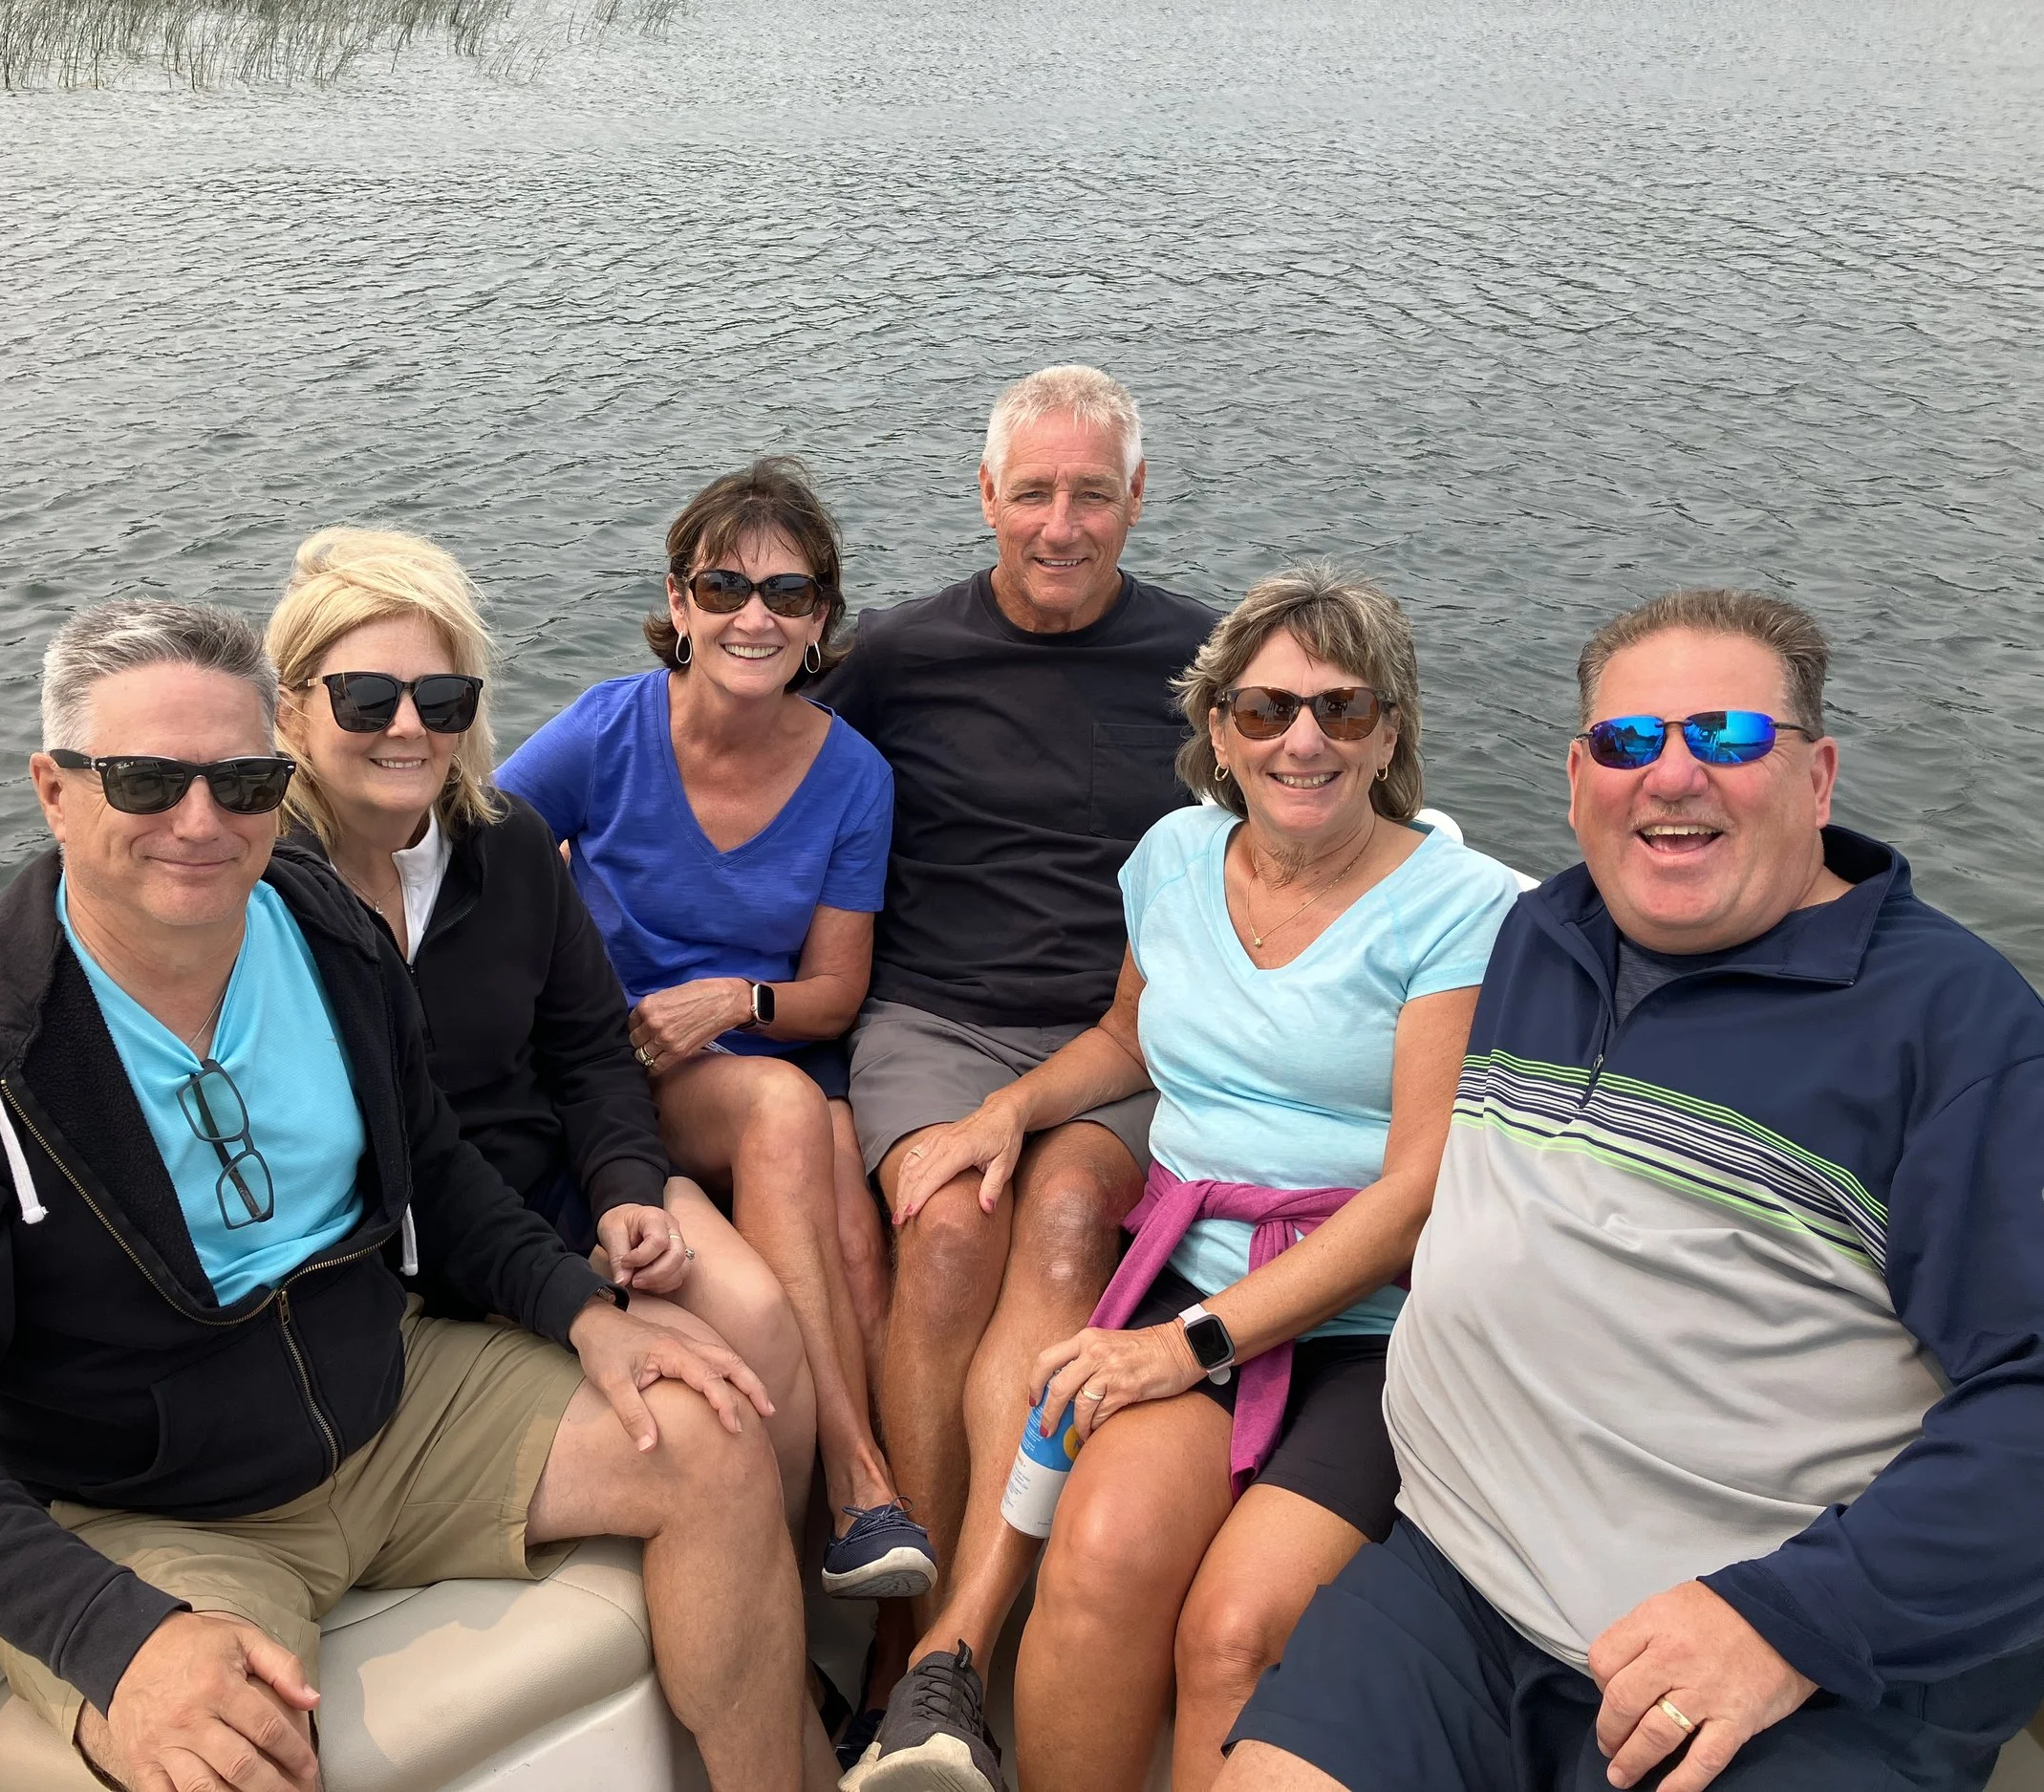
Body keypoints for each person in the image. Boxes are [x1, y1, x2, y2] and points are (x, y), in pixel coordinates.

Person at [0, 598, 835, 1792]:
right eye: (145, 782)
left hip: (390, 1401)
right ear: (55, 790)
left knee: (713, 1429)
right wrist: (114, 1634)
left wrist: (584, 1312)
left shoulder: (324, 929)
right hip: (148, 1508)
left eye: (243, 782)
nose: (202, 822)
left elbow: (436, 1168)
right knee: (229, 1755)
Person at [1221, 590, 2044, 1792]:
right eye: (1626, 741)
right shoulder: (1537, 941)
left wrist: (1789, 1625)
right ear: (1575, 781)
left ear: (1817, 778)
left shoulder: (1955, 1031)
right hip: (1458, 1583)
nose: (1670, 775)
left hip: (1774, 1665)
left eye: (1727, 737)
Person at [846, 568, 1520, 1792]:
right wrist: (1004, 1112)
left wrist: (1183, 1346)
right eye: (1265, 710)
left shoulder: (1456, 908)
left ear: (1389, 735)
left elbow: (1414, 1194)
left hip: (1370, 1333)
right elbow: (1125, 1036)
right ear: (1218, 729)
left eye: (1342, 709)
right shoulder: (1173, 856)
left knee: (1232, 1630)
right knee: (1098, 1557)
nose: (1302, 740)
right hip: (1192, 1286)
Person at [264, 525, 820, 1524]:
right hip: (406, 1247)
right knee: (710, 1400)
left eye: (441, 699)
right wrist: (565, 1287)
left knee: (758, 1320)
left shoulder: (507, 846)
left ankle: (775, 1568)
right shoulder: (263, 894)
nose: (406, 727)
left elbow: (590, 1050)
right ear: (291, 711)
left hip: (548, 1182)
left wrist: (625, 1197)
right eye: (365, 698)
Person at [809, 365, 1215, 1731]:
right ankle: (906, 1632)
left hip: (1124, 1033)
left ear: (1136, 498)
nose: (1059, 524)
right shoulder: (897, 655)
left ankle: (964, 1646)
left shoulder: (1206, 667)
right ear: (985, 494)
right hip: (937, 1014)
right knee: (943, 1232)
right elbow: (755, 757)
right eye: (1032, 491)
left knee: (1061, 1226)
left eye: (1091, 493)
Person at [499, 457, 934, 1599]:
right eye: (723, 588)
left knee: (852, 1223)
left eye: (788, 594)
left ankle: (888, 1526)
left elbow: (832, 993)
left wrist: (737, 1000)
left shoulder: (852, 776)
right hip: (627, 1064)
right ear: (678, 604)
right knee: (793, 1114)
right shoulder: (604, 734)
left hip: (768, 1052)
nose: (754, 617)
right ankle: (857, 1482)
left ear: (821, 619)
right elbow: (472, 846)